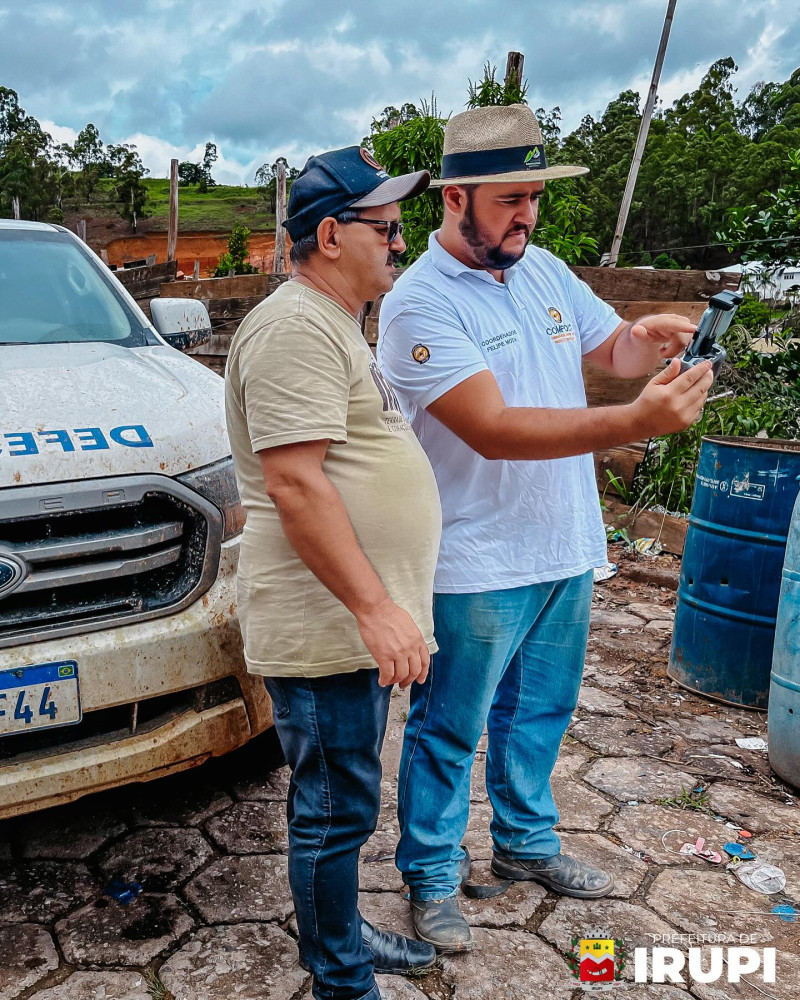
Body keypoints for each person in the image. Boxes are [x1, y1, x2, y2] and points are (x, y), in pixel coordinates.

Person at [377, 104, 714, 954]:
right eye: (509, 199)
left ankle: (527, 845)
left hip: (563, 542)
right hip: (475, 555)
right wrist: (637, 421)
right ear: (455, 199)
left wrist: (648, 334)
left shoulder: (543, 269)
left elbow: (612, 353)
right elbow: (492, 427)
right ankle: (431, 875)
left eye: (534, 196)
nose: (526, 214)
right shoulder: (417, 305)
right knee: (451, 727)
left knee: (542, 713)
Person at [225, 145, 441, 1000]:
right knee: (333, 808)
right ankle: (340, 980)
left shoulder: (330, 323)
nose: (399, 241)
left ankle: (343, 938)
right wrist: (375, 607)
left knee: (345, 800)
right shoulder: (293, 327)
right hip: (326, 625)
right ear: (328, 234)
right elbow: (294, 480)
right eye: (385, 227)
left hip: (346, 621)